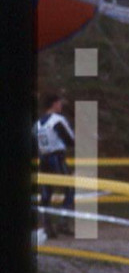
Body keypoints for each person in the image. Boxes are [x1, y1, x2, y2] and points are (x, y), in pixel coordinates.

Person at [35, 92, 75, 236]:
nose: (61, 105)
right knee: (70, 189)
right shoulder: (57, 120)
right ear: (54, 104)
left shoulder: (38, 122)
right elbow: (70, 140)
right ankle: (63, 222)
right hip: (56, 158)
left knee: (46, 192)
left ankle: (47, 225)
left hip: (43, 158)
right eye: (59, 102)